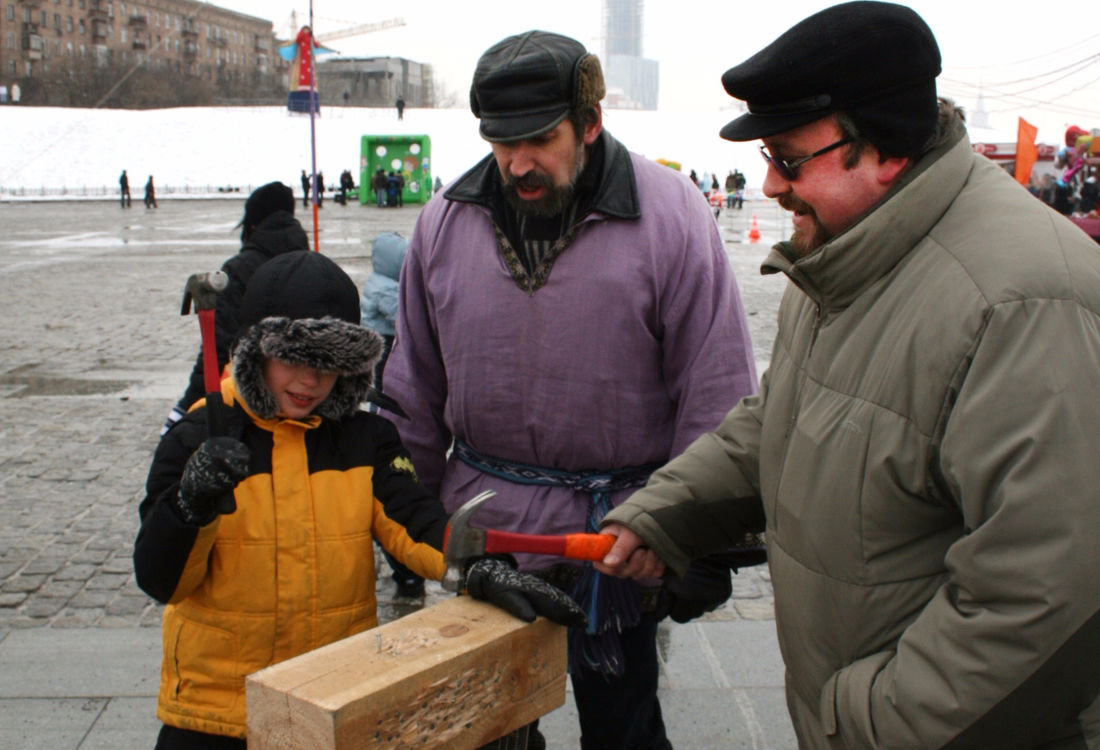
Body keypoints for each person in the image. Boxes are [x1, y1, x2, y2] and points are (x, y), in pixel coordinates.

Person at [596, 3, 1100, 748]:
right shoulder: (845, 254)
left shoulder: (1023, 305)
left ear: (885, 149)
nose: (768, 185)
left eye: (787, 158)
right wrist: (666, 513)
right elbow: (785, 418)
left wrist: (864, 722)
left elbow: (1048, 595)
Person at [380, 30, 758, 750]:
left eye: (540, 140)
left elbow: (716, 390)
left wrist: (696, 535)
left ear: (589, 123)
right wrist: (410, 524)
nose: (517, 162)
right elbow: (412, 390)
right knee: (486, 730)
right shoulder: (443, 222)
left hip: (620, 538)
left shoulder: (673, 215)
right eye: (500, 142)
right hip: (486, 534)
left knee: (624, 730)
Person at [134, 250, 586, 749]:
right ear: (254, 350)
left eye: (330, 366)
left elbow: (415, 521)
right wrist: (191, 504)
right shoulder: (197, 438)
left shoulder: (364, 439)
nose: (311, 382)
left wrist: (479, 566)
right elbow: (161, 581)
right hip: (215, 715)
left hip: (330, 701)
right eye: (295, 359)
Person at [162, 182, 310, 434]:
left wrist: (188, 405)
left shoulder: (240, 268)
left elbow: (218, 343)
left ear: (253, 223)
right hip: (302, 398)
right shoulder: (308, 263)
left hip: (250, 400)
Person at [359, 231, 424, 598]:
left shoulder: (383, 281)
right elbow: (406, 318)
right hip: (383, 354)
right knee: (386, 393)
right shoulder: (385, 287)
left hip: (385, 353)